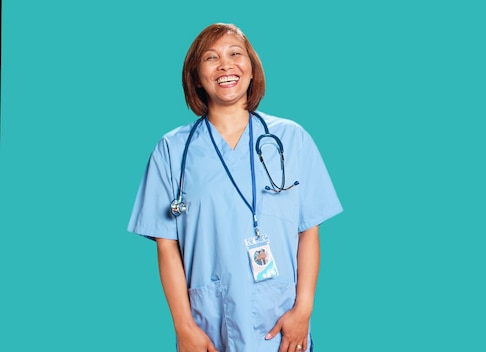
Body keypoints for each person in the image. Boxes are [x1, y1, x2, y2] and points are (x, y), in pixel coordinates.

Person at [127, 23, 343, 352]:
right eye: (211, 58)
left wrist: (303, 310)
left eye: (235, 54)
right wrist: (184, 327)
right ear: (196, 77)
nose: (225, 65)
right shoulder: (171, 151)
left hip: (282, 324)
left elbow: (308, 231)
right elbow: (166, 246)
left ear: (252, 69)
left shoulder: (292, 139)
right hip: (209, 327)